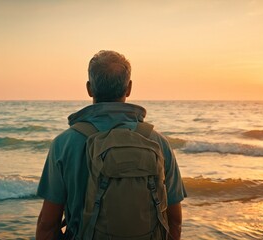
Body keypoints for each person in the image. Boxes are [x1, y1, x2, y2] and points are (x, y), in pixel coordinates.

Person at [36, 50, 187, 240]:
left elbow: (47, 225)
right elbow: (175, 221)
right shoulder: (158, 143)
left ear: (89, 88)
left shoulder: (64, 143)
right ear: (129, 88)